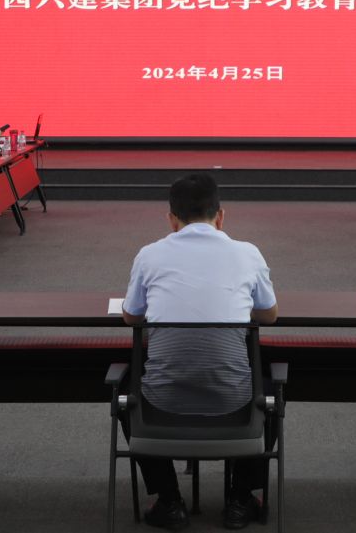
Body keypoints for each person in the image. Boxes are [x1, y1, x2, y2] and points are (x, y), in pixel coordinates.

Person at [121, 174, 279, 530]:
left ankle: (168, 501)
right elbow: (269, 315)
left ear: (171, 220)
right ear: (221, 216)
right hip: (235, 405)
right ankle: (240, 501)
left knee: (125, 392)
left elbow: (131, 316)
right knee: (271, 395)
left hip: (160, 407)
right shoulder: (247, 253)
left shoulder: (149, 255)